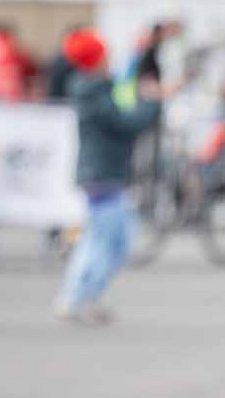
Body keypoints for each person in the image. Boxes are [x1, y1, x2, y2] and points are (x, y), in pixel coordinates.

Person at [53, 29, 168, 324]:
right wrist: (151, 101)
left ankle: (86, 296)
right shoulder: (93, 91)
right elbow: (125, 123)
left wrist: (144, 49)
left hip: (106, 174)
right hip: (101, 176)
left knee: (110, 241)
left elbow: (128, 78)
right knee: (103, 242)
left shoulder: (96, 87)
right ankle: (76, 296)